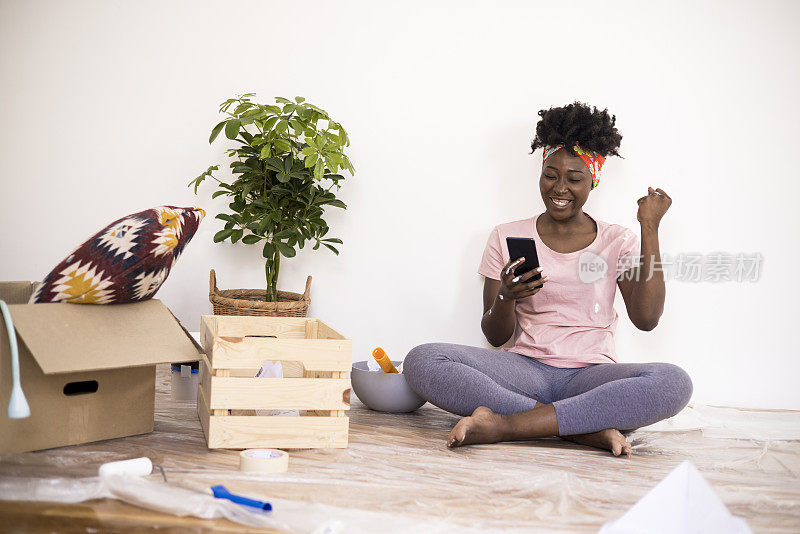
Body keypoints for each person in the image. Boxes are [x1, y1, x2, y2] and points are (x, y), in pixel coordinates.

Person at [403, 101, 692, 457]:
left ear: (593, 181)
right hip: (524, 371)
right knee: (423, 360)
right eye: (550, 175)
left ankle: (506, 425)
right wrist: (507, 296)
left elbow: (647, 319)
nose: (560, 188)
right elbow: (495, 337)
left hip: (591, 376)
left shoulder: (618, 240)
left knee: (673, 382)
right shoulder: (505, 235)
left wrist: (649, 227)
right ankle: (580, 429)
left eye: (574, 179)